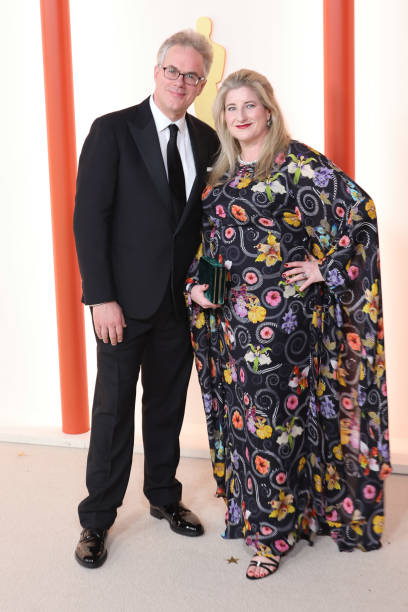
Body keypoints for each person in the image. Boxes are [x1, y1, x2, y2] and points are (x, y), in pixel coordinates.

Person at [186, 69, 391, 580]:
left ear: (268, 111)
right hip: (229, 322)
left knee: (269, 426)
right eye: (231, 108)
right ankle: (272, 516)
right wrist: (196, 283)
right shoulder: (222, 169)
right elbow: (211, 241)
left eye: (249, 106)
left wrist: (325, 268)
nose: (240, 116)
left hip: (281, 322)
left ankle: (270, 538)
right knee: (251, 424)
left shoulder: (296, 162)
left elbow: (359, 212)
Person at [73, 30, 219, 568]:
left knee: (166, 407)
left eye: (192, 75)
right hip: (122, 305)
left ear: (201, 84)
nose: (181, 81)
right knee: (113, 412)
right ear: (156, 72)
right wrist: (101, 297)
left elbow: (210, 226)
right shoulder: (113, 130)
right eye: (173, 71)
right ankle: (96, 519)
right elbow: (89, 218)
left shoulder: (207, 140)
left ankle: (163, 496)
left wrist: (205, 286)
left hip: (179, 305)